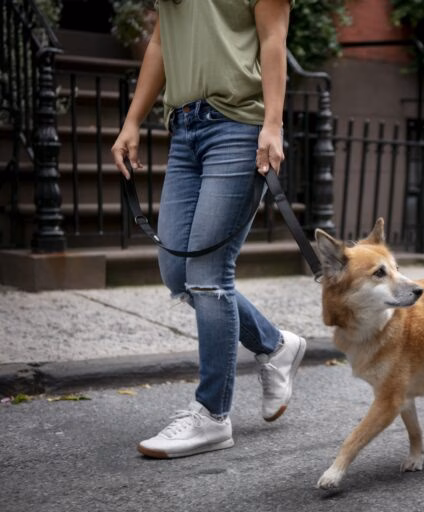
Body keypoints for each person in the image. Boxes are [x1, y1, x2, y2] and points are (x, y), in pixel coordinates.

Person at [111, 0, 305, 459]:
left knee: (208, 273)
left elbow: (273, 39)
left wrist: (272, 126)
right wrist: (133, 120)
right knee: (177, 272)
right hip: (185, 129)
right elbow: (161, 41)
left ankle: (212, 415)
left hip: (239, 126)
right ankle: (275, 346)